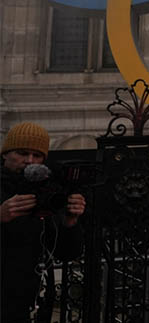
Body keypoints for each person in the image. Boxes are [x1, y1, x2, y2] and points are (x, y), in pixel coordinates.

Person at [1, 122, 87, 322]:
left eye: (37, 155)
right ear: (5, 154)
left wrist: (70, 222)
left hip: (23, 301)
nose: (29, 160)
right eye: (22, 153)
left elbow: (65, 252)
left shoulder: (45, 191)